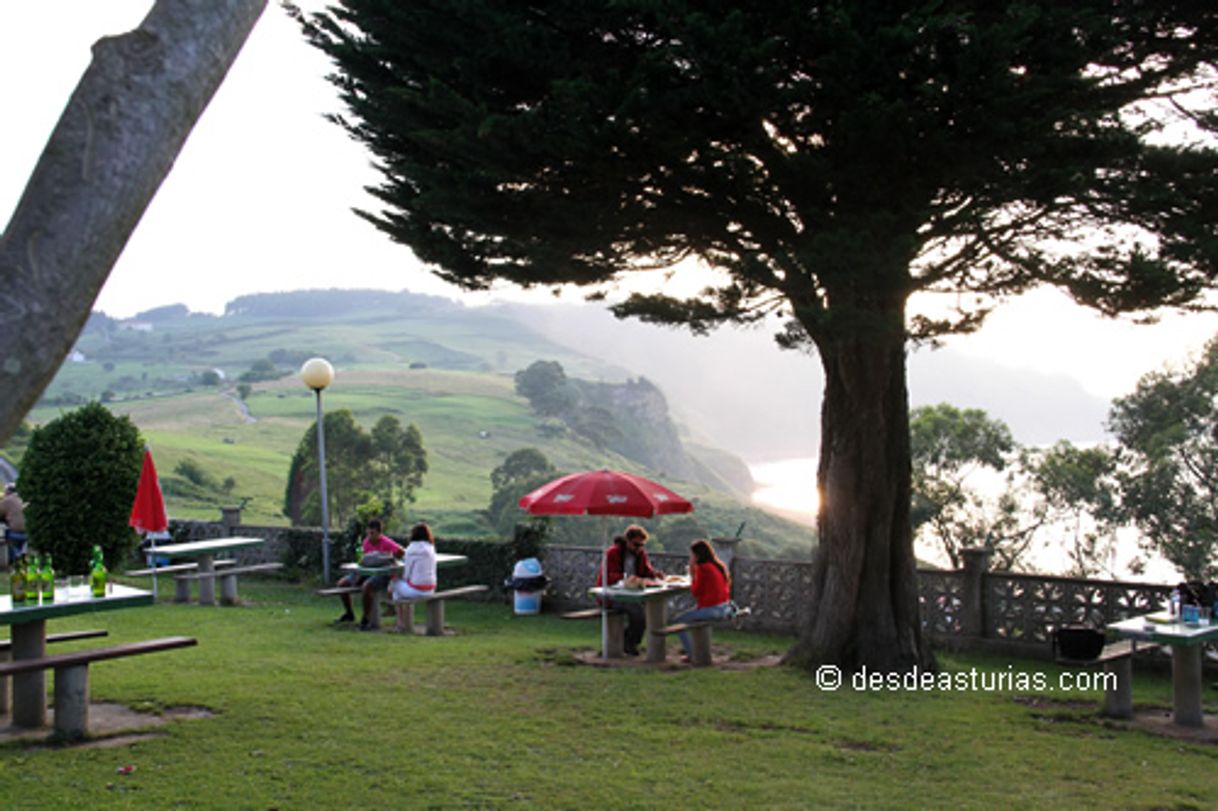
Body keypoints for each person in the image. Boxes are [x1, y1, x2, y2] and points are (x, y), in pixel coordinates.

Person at [595, 524, 664, 656]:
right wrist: (627, 578)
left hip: (631, 593)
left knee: (641, 611)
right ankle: (628, 643)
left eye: (641, 545)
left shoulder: (640, 554)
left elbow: (646, 570)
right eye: (636, 545)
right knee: (638, 613)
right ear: (627, 541)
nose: (639, 548)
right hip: (611, 595)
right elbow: (607, 576)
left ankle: (628, 641)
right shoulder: (613, 553)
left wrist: (655, 574)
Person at [334, 518, 404, 629]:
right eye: (368, 533)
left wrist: (392, 558)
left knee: (367, 586)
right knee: (342, 584)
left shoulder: (386, 542)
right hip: (366, 571)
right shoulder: (366, 542)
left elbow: (401, 551)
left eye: (373, 533)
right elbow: (365, 562)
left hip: (381, 574)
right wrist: (359, 577)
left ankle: (366, 618)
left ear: (379, 533)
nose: (370, 536)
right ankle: (349, 613)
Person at [672, 539, 733, 663]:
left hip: (712, 609)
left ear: (697, 555)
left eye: (692, 555)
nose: (691, 557)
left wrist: (693, 574)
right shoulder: (717, 565)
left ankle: (691, 654)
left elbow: (696, 592)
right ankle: (693, 652)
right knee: (689, 616)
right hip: (725, 607)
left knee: (678, 621)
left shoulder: (702, 568)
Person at [390, 522, 438, 632]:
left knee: (395, 585)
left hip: (417, 590)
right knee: (399, 588)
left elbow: (407, 574)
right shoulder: (431, 548)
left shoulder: (411, 549)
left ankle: (401, 623)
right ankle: (404, 622)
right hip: (431, 589)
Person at [1, 483, 27, 566]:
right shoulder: (22, 498)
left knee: (4, 535)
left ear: (8, 491)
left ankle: (15, 556)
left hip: (15, 533)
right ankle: (22, 552)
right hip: (27, 532)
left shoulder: (6, 501)